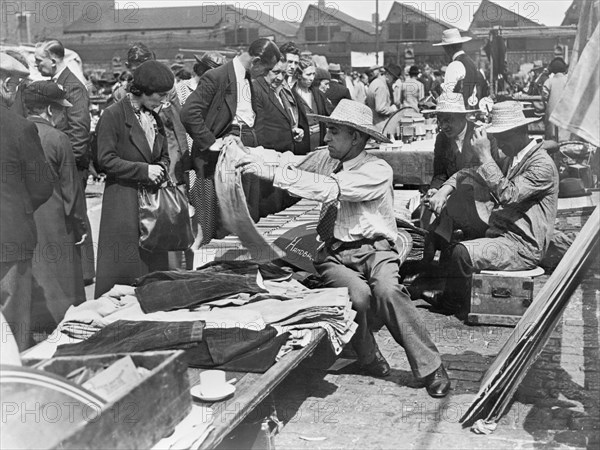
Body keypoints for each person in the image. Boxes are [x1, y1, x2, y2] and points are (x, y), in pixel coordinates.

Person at [236, 99, 451, 398]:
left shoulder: (377, 169)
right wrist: (244, 153)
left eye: (333, 132)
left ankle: (431, 367)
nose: (326, 138)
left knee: (388, 291)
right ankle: (368, 356)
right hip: (335, 253)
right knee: (358, 296)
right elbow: (289, 160)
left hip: (376, 252)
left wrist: (271, 174)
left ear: (356, 137)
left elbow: (331, 188)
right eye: (327, 131)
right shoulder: (326, 158)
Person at [428, 101, 559, 315]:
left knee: (461, 253)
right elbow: (472, 171)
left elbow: (509, 194)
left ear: (519, 132)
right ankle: (457, 294)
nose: (497, 142)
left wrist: (487, 156)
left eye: (502, 137)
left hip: (523, 246)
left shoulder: (541, 164)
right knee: (455, 241)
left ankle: (451, 305)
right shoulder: (514, 158)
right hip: (503, 234)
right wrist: (444, 189)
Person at [181, 38, 281, 227]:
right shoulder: (216, 77)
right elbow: (188, 113)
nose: (267, 74)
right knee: (227, 218)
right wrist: (211, 142)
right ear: (256, 62)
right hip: (226, 152)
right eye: (267, 69)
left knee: (248, 212)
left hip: (246, 148)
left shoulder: (247, 78)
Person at [94, 60, 173, 297]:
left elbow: (164, 155)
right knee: (125, 271)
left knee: (152, 269)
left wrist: (161, 168)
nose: (162, 100)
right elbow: (105, 160)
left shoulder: (154, 117)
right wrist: (143, 170)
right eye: (159, 95)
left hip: (151, 204)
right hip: (123, 201)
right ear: (143, 91)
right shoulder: (113, 115)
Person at [23, 81, 87, 330]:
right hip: (57, 220)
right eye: (61, 110)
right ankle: (62, 324)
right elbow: (72, 190)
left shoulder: (14, 132)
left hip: (24, 219)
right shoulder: (58, 138)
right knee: (61, 278)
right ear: (50, 111)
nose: (63, 115)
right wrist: (79, 223)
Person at [0, 53, 54, 349]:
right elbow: (42, 186)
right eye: (19, 85)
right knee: (11, 321)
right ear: (8, 83)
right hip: (9, 237)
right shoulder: (19, 127)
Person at [35, 39, 95, 284]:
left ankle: (83, 273)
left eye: (40, 61)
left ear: (54, 59)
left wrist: (68, 163)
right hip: (63, 160)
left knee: (76, 214)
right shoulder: (57, 84)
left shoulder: (72, 87)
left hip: (72, 163)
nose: (37, 65)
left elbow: (80, 130)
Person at [254, 58, 306, 216]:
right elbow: (258, 130)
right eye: (275, 72)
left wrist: (293, 132)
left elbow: (278, 121)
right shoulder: (256, 90)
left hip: (283, 163)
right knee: (270, 210)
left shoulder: (278, 90)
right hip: (269, 163)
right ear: (263, 70)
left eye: (283, 73)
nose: (280, 77)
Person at [433, 29, 488, 109]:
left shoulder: (454, 65)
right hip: (469, 108)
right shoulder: (471, 62)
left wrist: (438, 88)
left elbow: (447, 96)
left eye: (444, 48)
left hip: (457, 112)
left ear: (448, 48)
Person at [292, 57, 333, 151]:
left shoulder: (318, 94)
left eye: (313, 74)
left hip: (321, 143)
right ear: (298, 75)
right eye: (308, 74)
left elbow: (330, 114)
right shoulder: (291, 96)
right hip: (303, 143)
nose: (311, 78)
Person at [542, 57, 569, 141]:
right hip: (567, 112)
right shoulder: (569, 80)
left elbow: (544, 97)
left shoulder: (549, 82)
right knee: (567, 138)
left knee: (552, 138)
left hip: (552, 114)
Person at [366, 65, 398, 130]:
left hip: (373, 122)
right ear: (388, 74)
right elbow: (380, 108)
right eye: (394, 79)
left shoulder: (375, 82)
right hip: (380, 124)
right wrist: (392, 109)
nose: (394, 81)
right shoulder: (381, 86)